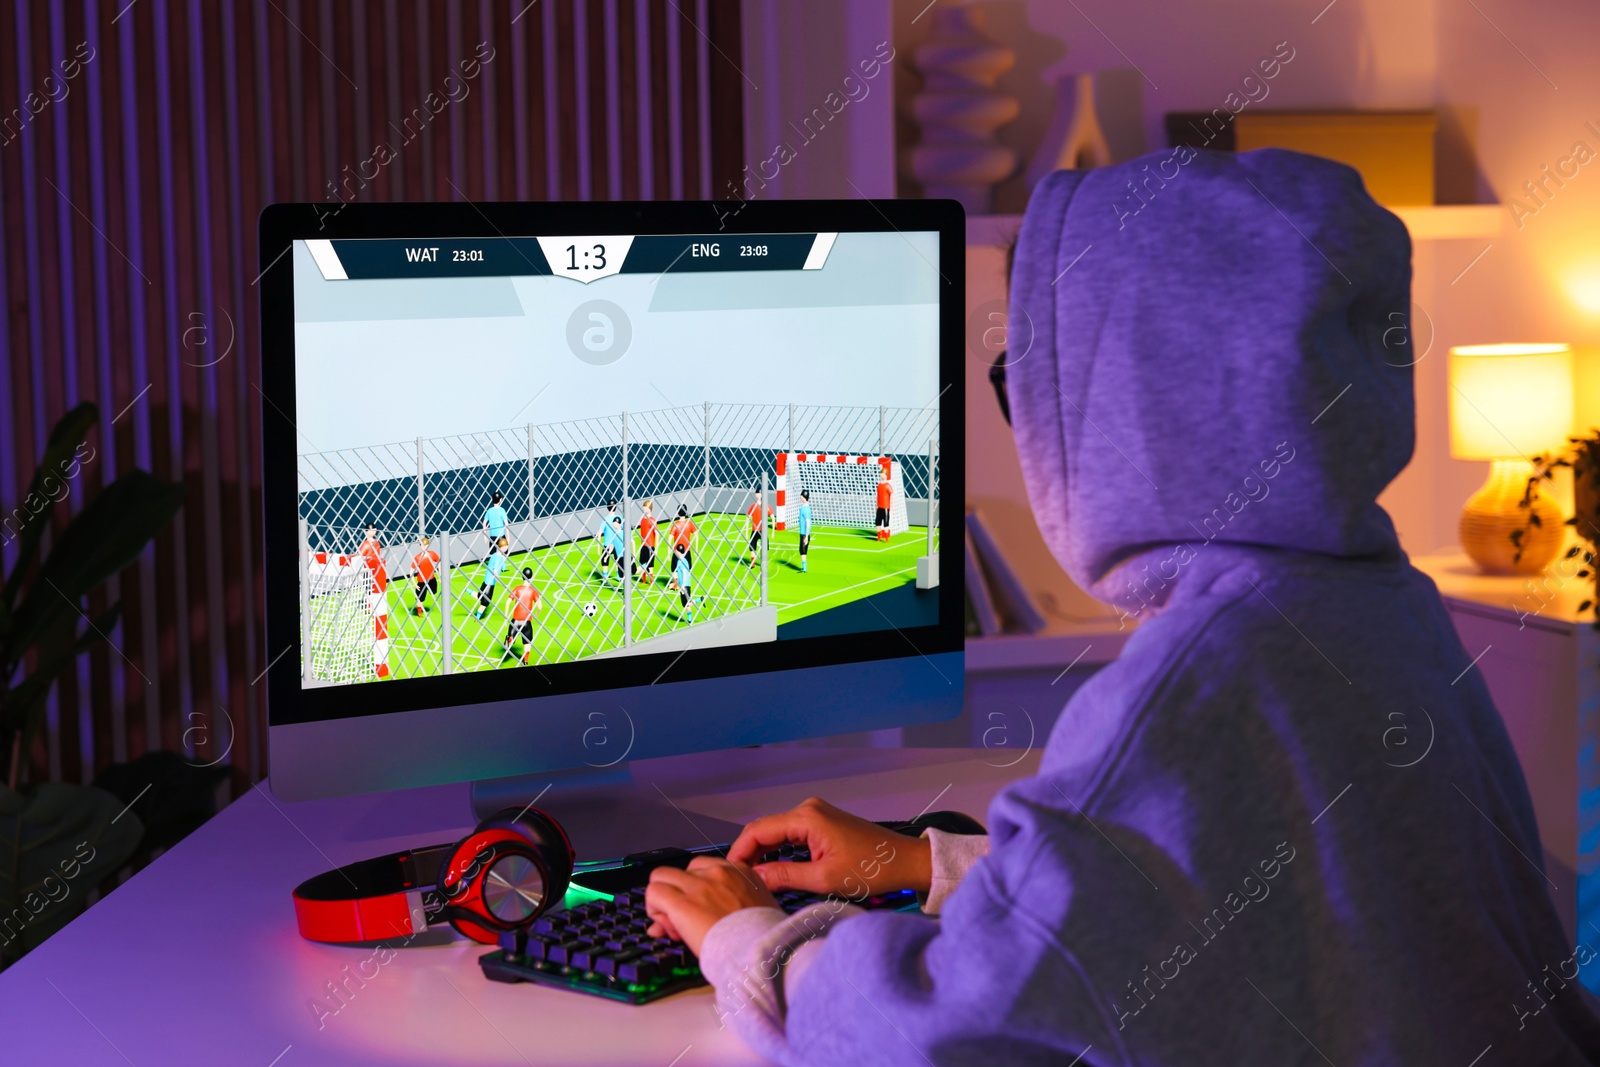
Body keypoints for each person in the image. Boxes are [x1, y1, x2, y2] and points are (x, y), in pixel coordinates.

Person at [642, 150, 1600, 1064]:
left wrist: (751, 941)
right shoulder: (1382, 604)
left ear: (1132, 414)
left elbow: (931, 1032)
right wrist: (920, 864)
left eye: (1035, 392)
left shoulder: (1197, 681)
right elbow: (1186, 902)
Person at [501, 567, 541, 665]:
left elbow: (508, 602)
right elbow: (540, 607)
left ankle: (510, 638)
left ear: (522, 577)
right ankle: (526, 660)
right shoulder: (533, 590)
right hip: (526, 622)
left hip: (516, 621)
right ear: (531, 578)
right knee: (527, 643)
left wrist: (506, 618)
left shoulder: (517, 588)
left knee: (511, 637)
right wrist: (535, 614)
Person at [474, 536, 509, 620]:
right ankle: (477, 618)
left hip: (486, 580)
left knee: (480, 596)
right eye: (506, 547)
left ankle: (467, 590)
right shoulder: (499, 559)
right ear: (503, 547)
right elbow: (495, 574)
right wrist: (503, 585)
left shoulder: (494, 555)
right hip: (490, 584)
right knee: (485, 603)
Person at [411, 536, 440, 616]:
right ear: (420, 546)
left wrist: (440, 574)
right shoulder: (417, 558)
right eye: (423, 546)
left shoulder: (432, 554)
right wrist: (414, 583)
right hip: (421, 581)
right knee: (420, 598)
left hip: (431, 579)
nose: (424, 548)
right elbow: (411, 571)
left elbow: (439, 562)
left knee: (434, 592)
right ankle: (419, 611)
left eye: (426, 546)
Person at [670, 542, 694, 622]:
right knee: (686, 604)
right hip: (686, 584)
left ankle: (700, 599)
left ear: (678, 551)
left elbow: (683, 572)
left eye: (676, 551)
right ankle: (690, 620)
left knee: (686, 604)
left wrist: (683, 586)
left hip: (685, 585)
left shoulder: (680, 561)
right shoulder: (685, 560)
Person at [668, 504, 696, 569]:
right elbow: (696, 535)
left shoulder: (675, 525)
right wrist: (696, 550)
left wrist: (669, 554)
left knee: (675, 571)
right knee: (687, 569)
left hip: (676, 552)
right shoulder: (689, 523)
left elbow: (669, 540)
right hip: (687, 551)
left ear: (677, 512)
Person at [638, 499, 659, 584]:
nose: (644, 508)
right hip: (643, 545)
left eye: (645, 507)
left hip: (650, 545)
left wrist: (656, 547)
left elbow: (657, 534)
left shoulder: (653, 520)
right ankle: (644, 579)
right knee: (642, 562)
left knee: (650, 564)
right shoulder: (643, 519)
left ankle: (651, 580)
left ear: (649, 508)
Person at [482, 491, 508, 557]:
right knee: (503, 554)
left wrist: (485, 536)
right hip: (501, 536)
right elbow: (506, 524)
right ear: (500, 500)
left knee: (493, 554)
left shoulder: (489, 510)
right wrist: (508, 537)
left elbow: (484, 523)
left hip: (492, 536)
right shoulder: (502, 510)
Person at [598, 499, 619, 570]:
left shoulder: (605, 519)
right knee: (618, 562)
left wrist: (598, 547)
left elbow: (599, 533)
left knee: (605, 562)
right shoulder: (619, 518)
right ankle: (620, 577)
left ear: (607, 508)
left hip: (607, 545)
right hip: (617, 544)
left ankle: (605, 576)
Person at [746, 491, 764, 568]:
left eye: (758, 493)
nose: (757, 494)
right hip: (754, 530)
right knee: (752, 546)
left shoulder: (765, 506)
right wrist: (746, 531)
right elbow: (748, 517)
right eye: (756, 493)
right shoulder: (753, 506)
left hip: (762, 530)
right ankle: (753, 562)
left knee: (764, 547)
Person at [874, 467, 892, 542]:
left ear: (886, 475)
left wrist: (891, 506)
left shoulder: (888, 485)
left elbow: (892, 495)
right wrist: (876, 506)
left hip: (885, 507)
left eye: (883, 474)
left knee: (886, 523)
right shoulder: (879, 485)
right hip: (879, 507)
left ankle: (886, 538)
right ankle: (878, 537)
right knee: (878, 522)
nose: (881, 475)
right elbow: (877, 496)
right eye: (881, 473)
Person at [796, 489, 812, 573]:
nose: (800, 497)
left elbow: (808, 522)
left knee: (803, 550)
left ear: (804, 497)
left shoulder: (806, 509)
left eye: (801, 495)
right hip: (802, 532)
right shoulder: (804, 507)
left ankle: (804, 567)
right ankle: (803, 567)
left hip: (804, 533)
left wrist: (806, 535)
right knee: (801, 550)